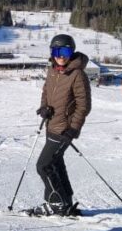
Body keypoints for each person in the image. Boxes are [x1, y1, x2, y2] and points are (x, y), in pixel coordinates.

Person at [32, 34, 91, 216]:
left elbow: (83, 105)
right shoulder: (53, 70)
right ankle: (65, 200)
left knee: (44, 165)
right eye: (57, 51)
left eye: (65, 51)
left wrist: (73, 128)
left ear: (71, 52)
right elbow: (46, 91)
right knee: (55, 164)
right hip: (51, 125)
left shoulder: (77, 74)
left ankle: (56, 202)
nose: (61, 55)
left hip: (64, 129)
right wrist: (44, 108)